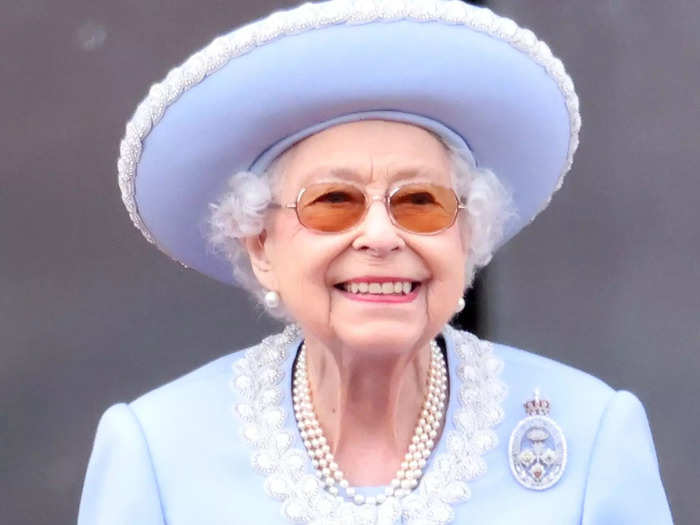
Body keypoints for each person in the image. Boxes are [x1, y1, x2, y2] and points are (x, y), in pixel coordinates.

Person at [79, 1, 673, 523]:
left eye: (421, 202)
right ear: (261, 246)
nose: (382, 236)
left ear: (466, 238)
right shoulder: (156, 449)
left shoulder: (591, 432)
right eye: (333, 202)